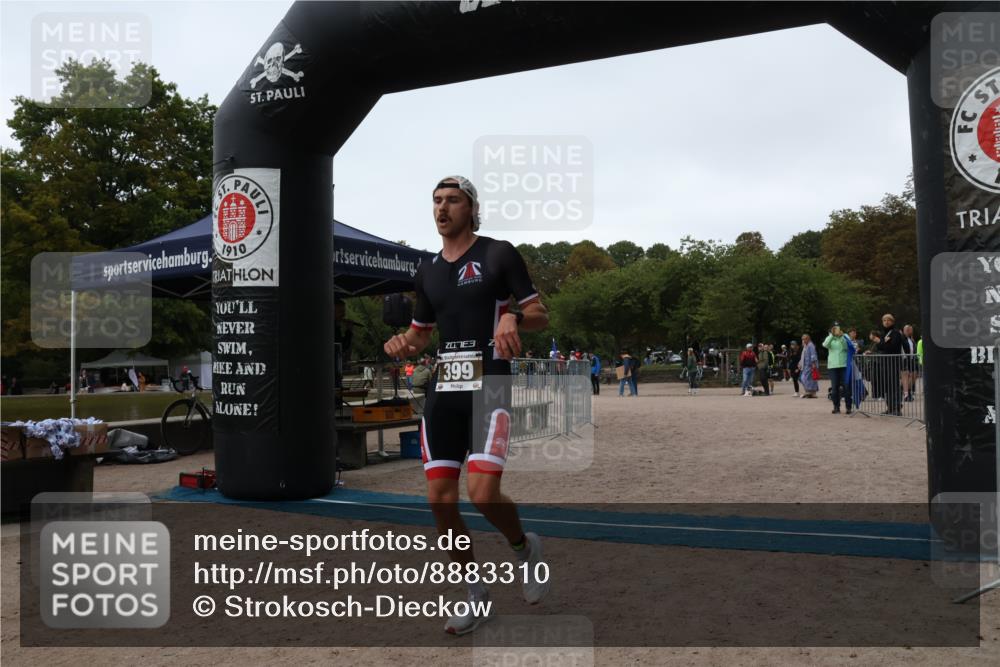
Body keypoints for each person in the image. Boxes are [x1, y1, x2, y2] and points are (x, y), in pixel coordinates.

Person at [382, 175, 551, 635]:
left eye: (453, 200)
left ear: (471, 209)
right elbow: (421, 333)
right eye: (436, 200)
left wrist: (514, 314)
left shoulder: (498, 253)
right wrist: (404, 342)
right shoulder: (429, 269)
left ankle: (523, 547)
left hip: (489, 386)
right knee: (439, 499)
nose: (442, 208)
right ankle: (475, 595)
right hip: (445, 391)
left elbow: (540, 313)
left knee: (481, 494)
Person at [872, 313, 903, 415]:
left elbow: (892, 347)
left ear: (892, 321)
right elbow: (880, 347)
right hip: (885, 363)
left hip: (893, 363)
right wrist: (881, 343)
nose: (886, 322)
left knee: (894, 385)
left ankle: (897, 408)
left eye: (888, 320)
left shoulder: (896, 333)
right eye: (884, 320)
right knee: (887, 386)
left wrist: (880, 342)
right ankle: (890, 407)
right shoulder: (884, 334)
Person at [823, 322, 851, 414]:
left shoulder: (845, 336)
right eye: (834, 328)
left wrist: (841, 337)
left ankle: (848, 407)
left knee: (846, 387)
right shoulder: (829, 337)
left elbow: (846, 347)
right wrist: (832, 335)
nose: (836, 330)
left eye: (837, 327)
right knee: (834, 388)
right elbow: (825, 345)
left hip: (844, 365)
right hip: (833, 366)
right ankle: (836, 407)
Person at [900, 324, 917, 402]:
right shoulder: (902, 338)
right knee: (907, 375)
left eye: (910, 330)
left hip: (912, 359)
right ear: (904, 331)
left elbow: (913, 348)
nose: (909, 331)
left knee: (914, 375)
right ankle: (906, 393)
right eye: (907, 330)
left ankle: (904, 389)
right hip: (904, 359)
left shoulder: (911, 339)